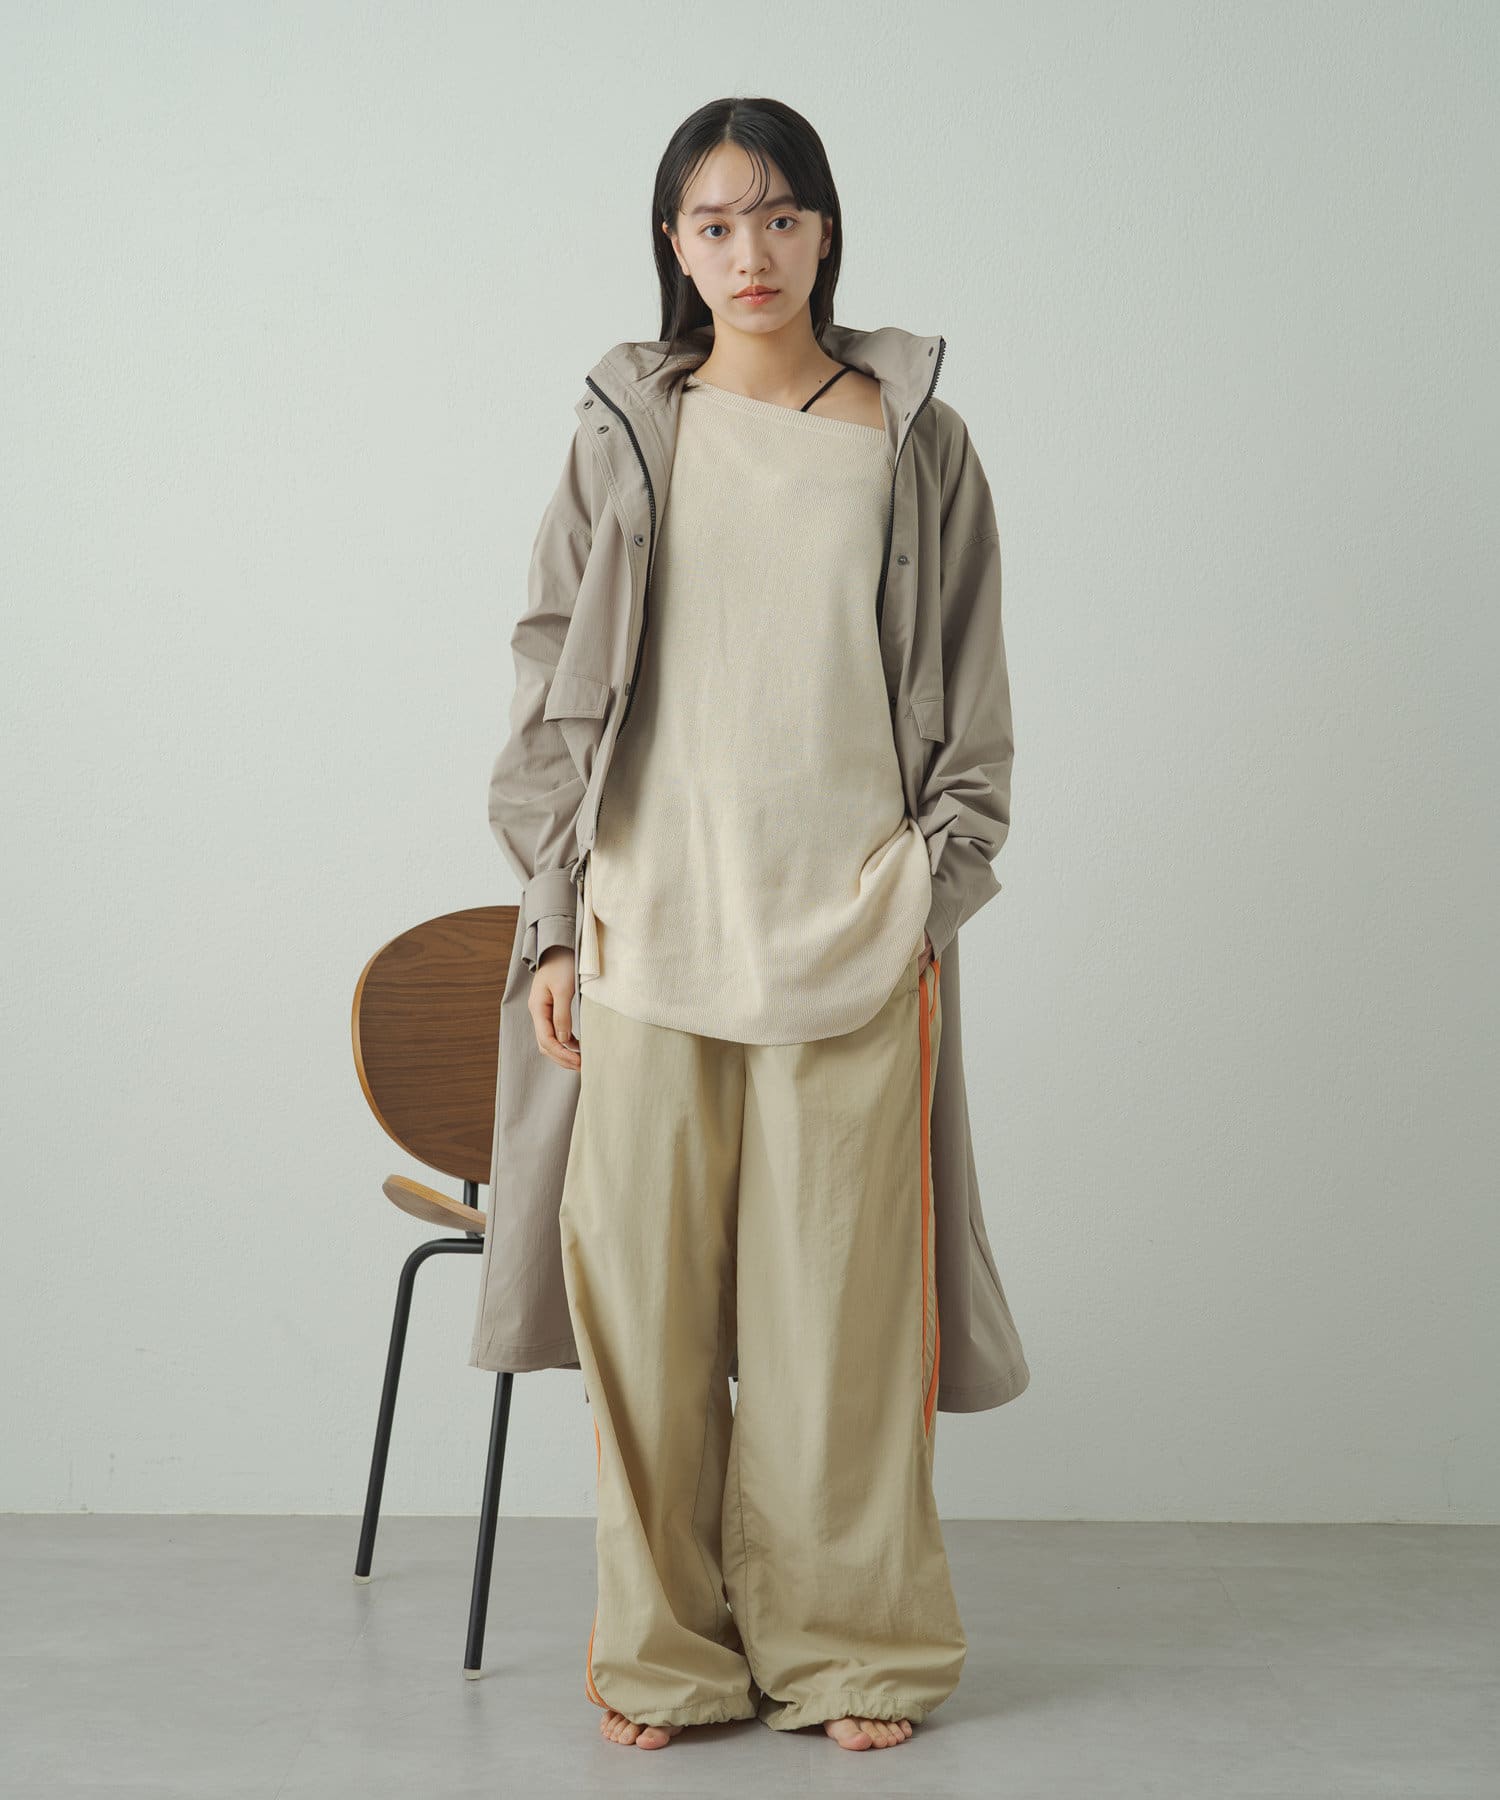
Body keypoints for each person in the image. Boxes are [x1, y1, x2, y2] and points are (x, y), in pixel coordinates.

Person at [512, 98, 1016, 1754]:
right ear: (674, 242)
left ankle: (851, 1653)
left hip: (850, 943)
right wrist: (551, 925)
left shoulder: (913, 437)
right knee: (647, 1335)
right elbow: (551, 681)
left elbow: (973, 705)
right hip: (648, 936)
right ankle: (669, 1659)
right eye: (717, 222)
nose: (752, 251)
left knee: (838, 1339)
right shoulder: (628, 430)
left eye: (782, 216)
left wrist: (928, 895)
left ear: (826, 231)